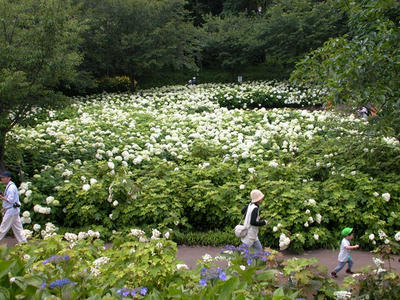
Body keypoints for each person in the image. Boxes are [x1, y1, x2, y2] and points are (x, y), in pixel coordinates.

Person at [0, 170, 27, 244]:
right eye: (1, 178)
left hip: (11, 210)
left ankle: (23, 243)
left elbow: (10, 200)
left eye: (3, 178)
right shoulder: (10, 186)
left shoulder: (11, 187)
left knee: (3, 228)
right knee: (18, 229)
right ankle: (24, 243)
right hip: (13, 210)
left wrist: (1, 197)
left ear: (8, 178)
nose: (2, 179)